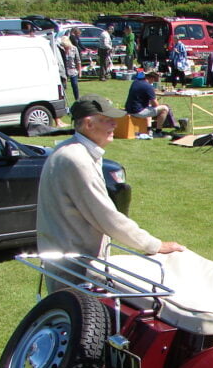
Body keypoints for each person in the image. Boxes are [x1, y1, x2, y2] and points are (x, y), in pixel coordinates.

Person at [36, 94, 184, 291]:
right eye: (107, 120)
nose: (115, 124)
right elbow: (107, 217)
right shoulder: (75, 159)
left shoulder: (72, 151)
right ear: (88, 124)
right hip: (74, 267)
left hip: (71, 261)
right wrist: (154, 245)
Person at [125, 70, 171, 136]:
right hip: (137, 112)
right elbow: (155, 104)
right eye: (154, 80)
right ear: (152, 78)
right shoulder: (148, 87)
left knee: (149, 107)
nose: (154, 82)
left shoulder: (135, 82)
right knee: (165, 108)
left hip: (129, 109)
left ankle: (149, 129)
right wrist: (161, 104)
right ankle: (158, 131)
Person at [60, 35, 82, 101]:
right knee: (63, 87)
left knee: (75, 85)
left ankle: (77, 100)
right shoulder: (61, 49)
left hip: (73, 70)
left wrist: (79, 72)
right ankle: (62, 101)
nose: (65, 47)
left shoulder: (74, 48)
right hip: (64, 70)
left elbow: (78, 61)